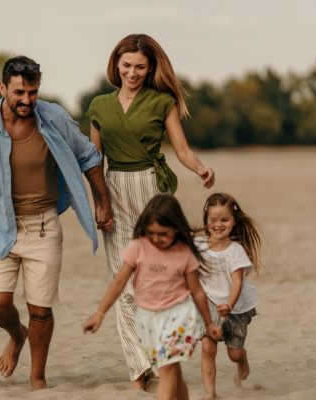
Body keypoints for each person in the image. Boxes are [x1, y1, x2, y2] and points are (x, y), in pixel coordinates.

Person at [0, 56, 113, 392]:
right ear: (3, 88)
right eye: (19, 92)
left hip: (43, 227)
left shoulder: (53, 118)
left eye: (33, 92)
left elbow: (89, 157)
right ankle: (15, 335)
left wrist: (103, 202)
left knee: (41, 310)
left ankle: (38, 378)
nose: (27, 100)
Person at [86, 33, 216, 389]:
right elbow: (93, 161)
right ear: (116, 64)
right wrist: (101, 203)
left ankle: (161, 358)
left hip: (150, 190)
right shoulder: (98, 105)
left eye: (140, 67)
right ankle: (139, 369)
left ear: (150, 68)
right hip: (113, 188)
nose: (132, 72)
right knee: (122, 278)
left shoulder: (162, 102)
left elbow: (182, 149)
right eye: (126, 65)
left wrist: (200, 168)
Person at [83, 194, 222, 400]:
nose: (156, 238)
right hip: (148, 321)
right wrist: (99, 313)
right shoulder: (138, 248)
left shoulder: (183, 252)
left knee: (165, 371)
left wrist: (209, 323)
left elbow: (198, 291)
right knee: (173, 372)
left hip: (178, 318)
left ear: (175, 228)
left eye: (163, 234)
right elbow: (119, 283)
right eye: (151, 233)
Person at [195, 193, 263, 399]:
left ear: (234, 221)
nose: (218, 224)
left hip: (235, 305)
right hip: (207, 302)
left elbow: (237, 282)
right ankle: (211, 393)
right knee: (208, 348)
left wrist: (230, 305)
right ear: (206, 221)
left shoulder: (236, 251)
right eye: (213, 220)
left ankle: (242, 359)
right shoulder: (197, 245)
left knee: (233, 355)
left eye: (224, 220)